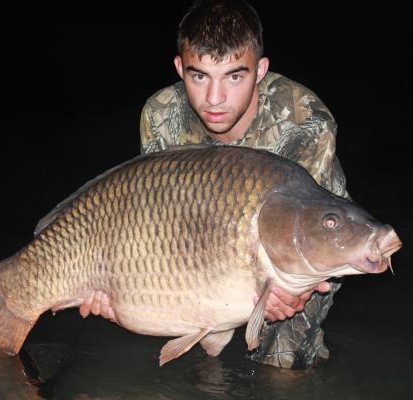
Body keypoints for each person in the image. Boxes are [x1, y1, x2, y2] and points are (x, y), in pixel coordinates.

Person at [79, 0, 349, 369]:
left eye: (234, 76)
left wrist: (293, 291)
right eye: (199, 76)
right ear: (180, 68)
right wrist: (121, 287)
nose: (215, 99)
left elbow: (308, 227)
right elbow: (157, 225)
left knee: (284, 362)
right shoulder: (161, 114)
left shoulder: (304, 120)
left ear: (260, 71)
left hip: (295, 241)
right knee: (164, 329)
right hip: (200, 240)